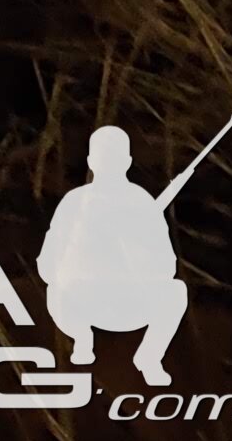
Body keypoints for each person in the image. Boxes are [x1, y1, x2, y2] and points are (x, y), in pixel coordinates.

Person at [42, 125, 193, 385]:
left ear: (127, 162)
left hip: (130, 302)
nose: (107, 164)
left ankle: (149, 357)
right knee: (56, 290)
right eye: (103, 157)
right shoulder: (75, 202)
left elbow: (167, 267)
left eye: (113, 157)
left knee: (176, 292)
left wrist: (137, 251)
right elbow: (48, 263)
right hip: (83, 302)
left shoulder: (142, 203)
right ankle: (81, 339)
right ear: (91, 161)